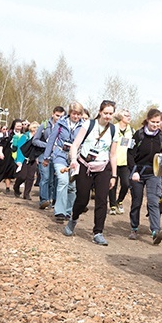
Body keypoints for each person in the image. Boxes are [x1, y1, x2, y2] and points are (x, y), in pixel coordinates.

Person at [63, 100, 119, 246]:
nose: (108, 116)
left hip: (103, 168)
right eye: (105, 113)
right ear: (100, 112)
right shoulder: (89, 125)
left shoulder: (114, 130)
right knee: (83, 198)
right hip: (84, 165)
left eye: (110, 114)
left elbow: (113, 155)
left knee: (102, 200)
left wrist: (114, 175)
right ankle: (73, 219)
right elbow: (75, 145)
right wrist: (74, 160)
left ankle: (98, 232)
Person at [127, 108, 162, 243]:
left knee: (154, 201)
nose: (155, 125)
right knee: (137, 201)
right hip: (138, 172)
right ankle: (134, 227)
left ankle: (155, 230)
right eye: (153, 122)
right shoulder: (138, 135)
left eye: (158, 122)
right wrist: (134, 172)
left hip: (154, 173)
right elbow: (130, 154)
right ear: (147, 120)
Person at [43, 102, 85, 223]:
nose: (76, 116)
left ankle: (68, 211)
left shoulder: (84, 126)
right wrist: (46, 157)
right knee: (63, 180)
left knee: (72, 186)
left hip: (75, 158)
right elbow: (51, 140)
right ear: (70, 113)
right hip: (60, 155)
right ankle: (59, 212)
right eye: (74, 113)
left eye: (78, 114)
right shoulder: (61, 123)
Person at [33, 106, 65, 209]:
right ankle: (43, 200)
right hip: (44, 154)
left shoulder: (64, 126)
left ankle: (51, 200)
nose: (59, 118)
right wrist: (48, 145)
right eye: (57, 115)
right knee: (45, 177)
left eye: (61, 116)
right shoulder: (45, 125)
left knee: (53, 179)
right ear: (53, 114)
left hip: (57, 155)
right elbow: (35, 140)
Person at [109, 108, 135, 216]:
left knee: (126, 184)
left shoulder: (132, 130)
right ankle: (112, 206)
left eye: (129, 115)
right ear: (120, 117)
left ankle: (119, 201)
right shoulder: (113, 128)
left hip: (125, 162)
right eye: (126, 115)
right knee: (112, 184)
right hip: (113, 161)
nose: (129, 117)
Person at [0, 119, 23, 193]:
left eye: (20, 126)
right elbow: (1, 144)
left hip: (20, 156)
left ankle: (16, 186)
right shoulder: (8, 134)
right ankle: (7, 187)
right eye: (17, 126)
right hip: (9, 155)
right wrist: (1, 152)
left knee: (20, 173)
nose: (19, 127)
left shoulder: (23, 135)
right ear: (14, 126)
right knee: (8, 171)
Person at [13, 121, 40, 200]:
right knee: (22, 176)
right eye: (35, 128)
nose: (36, 130)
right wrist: (19, 160)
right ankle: (16, 186)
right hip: (23, 159)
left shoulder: (38, 138)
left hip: (33, 159)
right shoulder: (25, 136)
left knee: (31, 177)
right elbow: (20, 149)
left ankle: (26, 194)